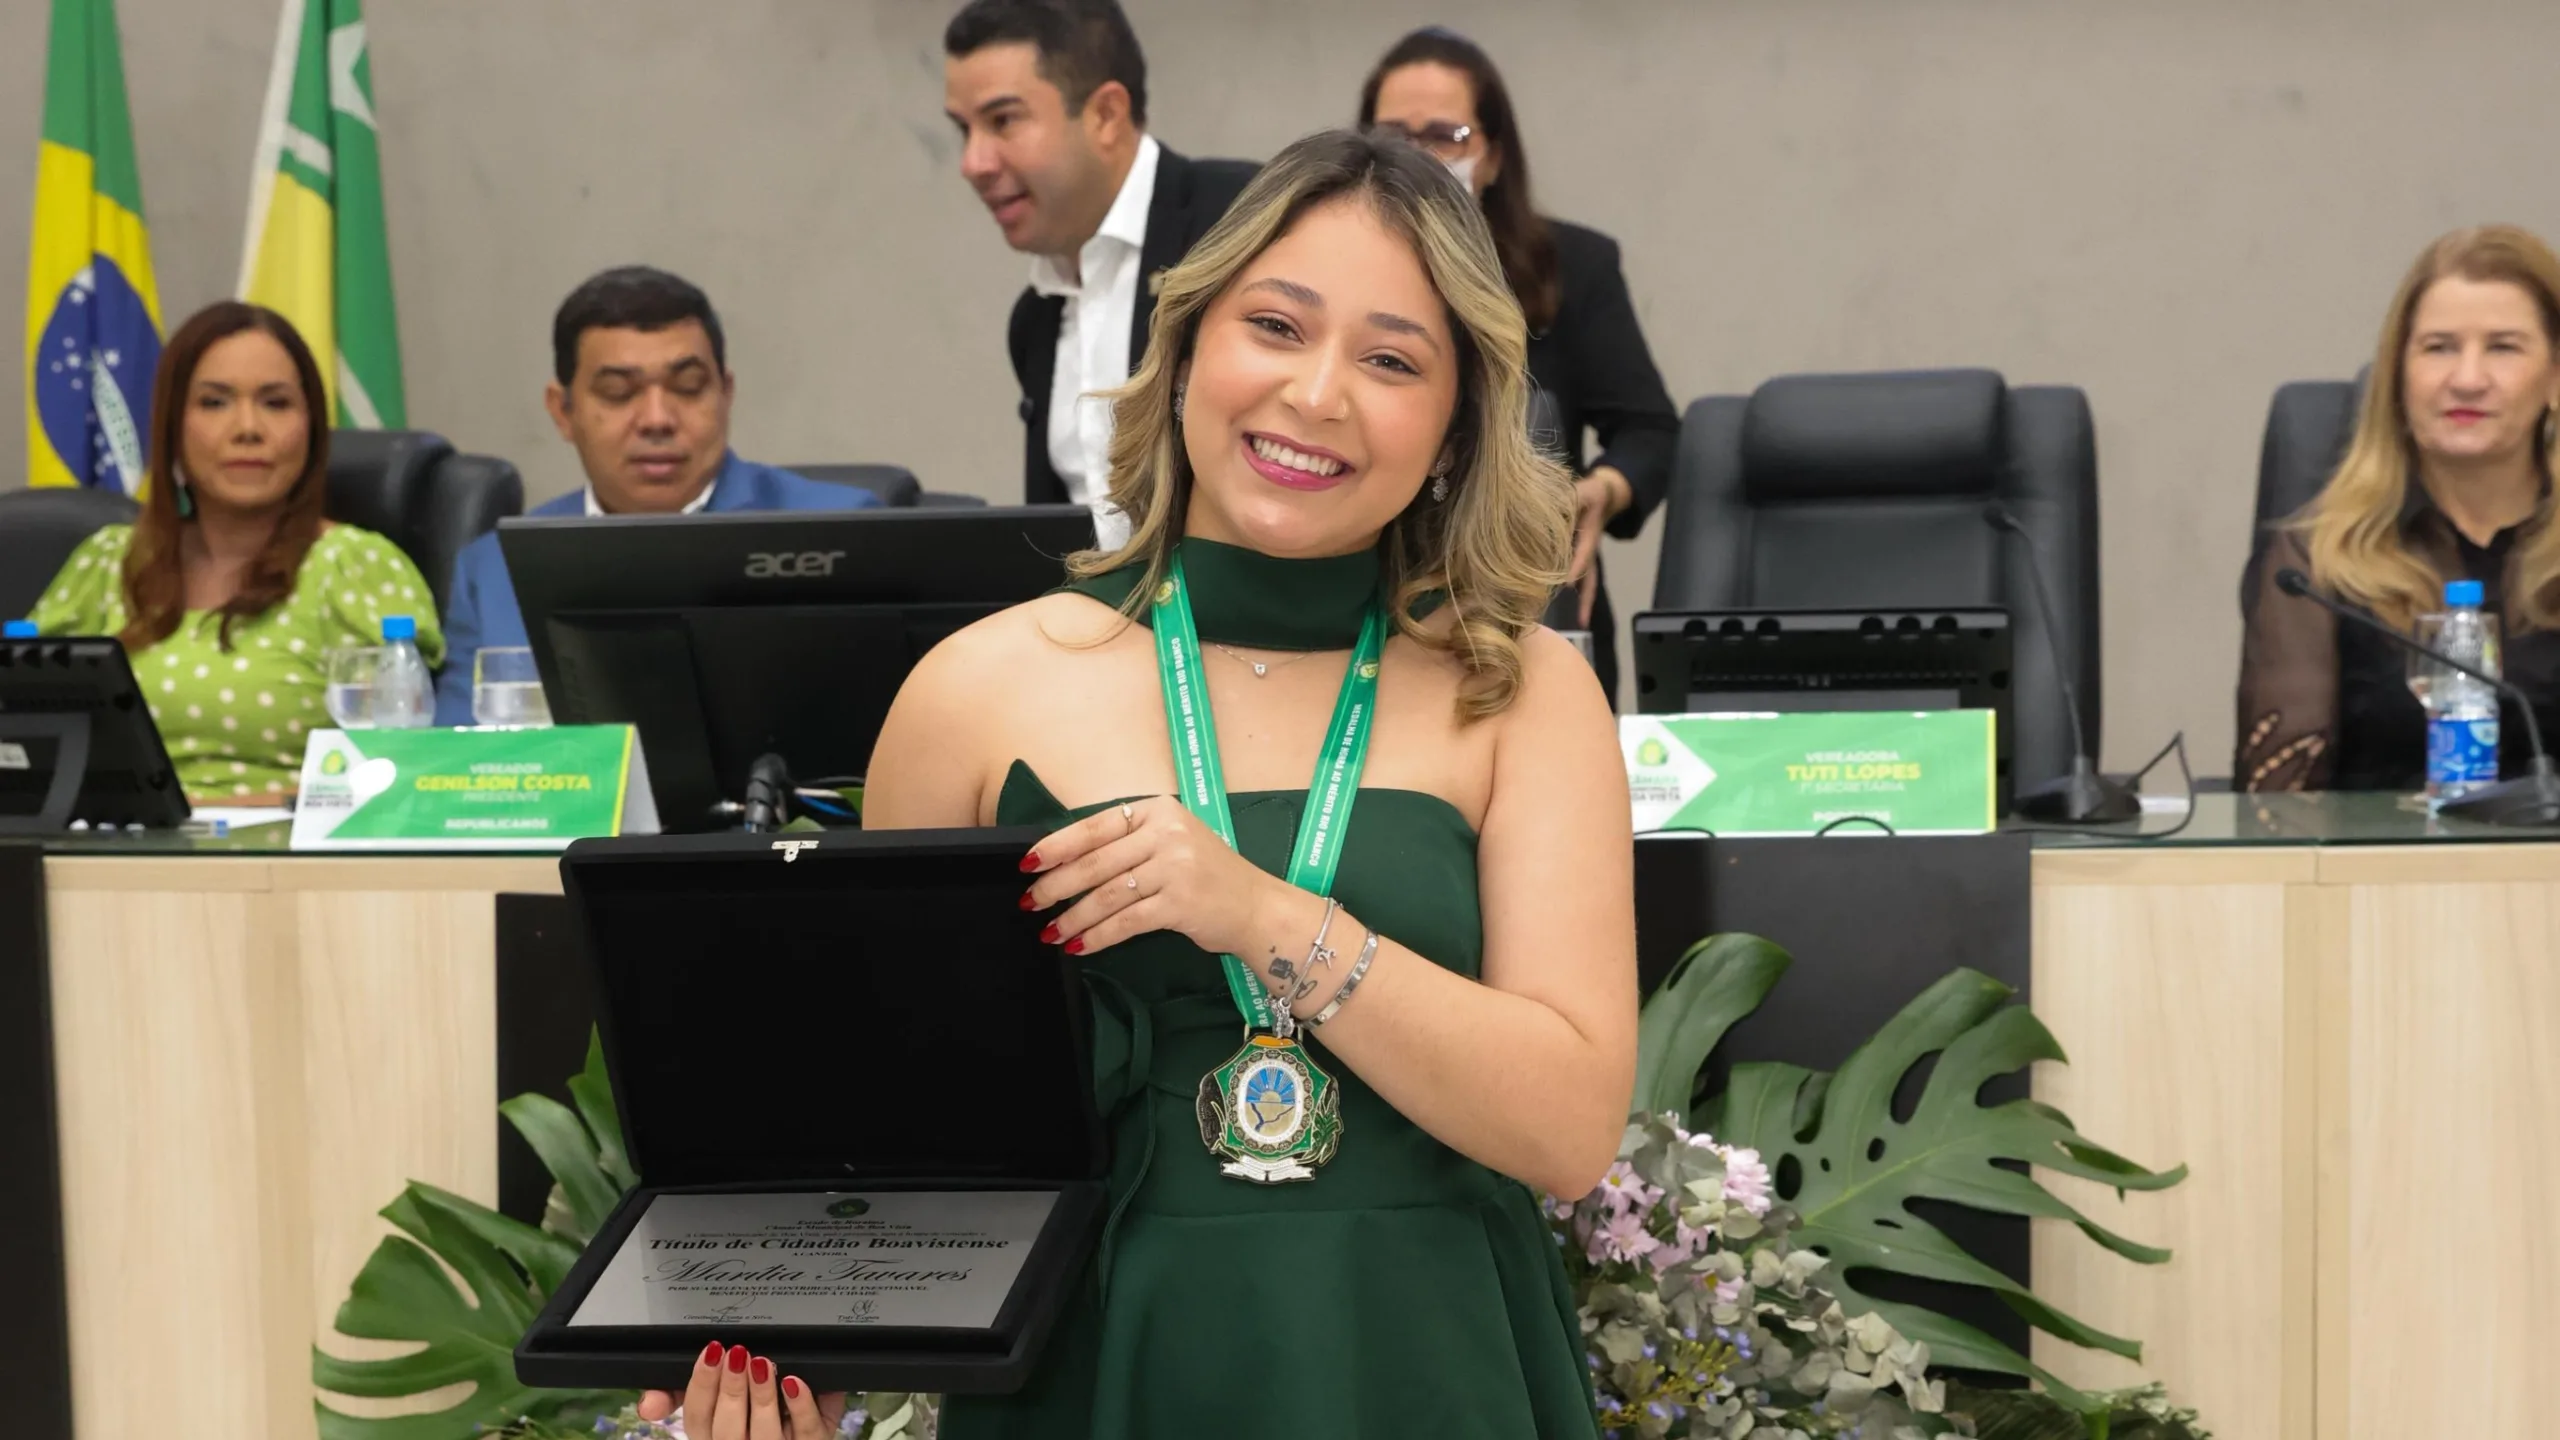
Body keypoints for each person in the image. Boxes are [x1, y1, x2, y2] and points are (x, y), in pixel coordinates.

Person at [640, 130, 1633, 1438]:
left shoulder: (1526, 692)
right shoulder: (975, 691)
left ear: (1454, 422)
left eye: (1392, 359)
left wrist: (1261, 916)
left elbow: (1567, 1127)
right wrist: (794, 1383)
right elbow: (884, 1139)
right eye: (1276, 326)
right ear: (1184, 356)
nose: (1319, 393)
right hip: (1095, 1368)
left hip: (1424, 1356)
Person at [1360, 27, 1679, 706]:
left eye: (1444, 135)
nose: (1417, 155)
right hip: (1366, 597)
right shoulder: (1336, 273)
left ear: (1493, 156)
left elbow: (1651, 433)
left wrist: (1603, 490)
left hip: (1529, 599)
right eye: (1393, 134)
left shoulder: (1571, 266)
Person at [27, 302, 440, 803]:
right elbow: (28, 734)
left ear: (311, 428)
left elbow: (401, 773)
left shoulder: (355, 568)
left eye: (276, 403)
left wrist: (212, 813)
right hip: (107, 860)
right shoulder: (107, 562)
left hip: (291, 861)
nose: (247, 428)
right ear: (171, 427)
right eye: (215, 403)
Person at [434, 266, 879, 724]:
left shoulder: (836, 529)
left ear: (725, 394)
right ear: (562, 411)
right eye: (617, 392)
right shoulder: (493, 568)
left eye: (688, 387)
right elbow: (451, 765)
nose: (657, 419)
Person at [2238, 223, 2560, 790]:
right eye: (2439, 348)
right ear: (2399, 376)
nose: (2467, 379)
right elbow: (2277, 811)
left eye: (2503, 347)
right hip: (2376, 878)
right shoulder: (2315, 565)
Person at [942, 0, 1256, 532]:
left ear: (1106, 115)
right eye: (963, 130)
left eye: (1002, 121)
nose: (973, 163)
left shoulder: (1243, 219)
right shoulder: (1035, 318)